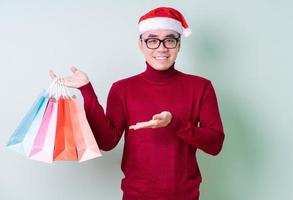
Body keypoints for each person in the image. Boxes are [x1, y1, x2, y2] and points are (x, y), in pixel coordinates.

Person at [50, 7, 225, 200]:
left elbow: (215, 144)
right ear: (141, 44)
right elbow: (107, 142)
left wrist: (174, 123)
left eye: (169, 39)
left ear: (178, 44)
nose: (161, 48)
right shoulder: (122, 89)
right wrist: (86, 90)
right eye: (152, 40)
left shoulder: (201, 87)